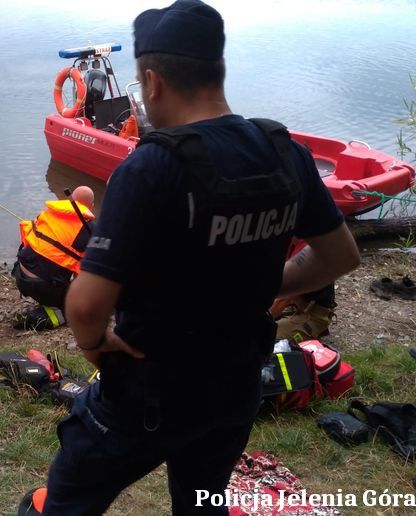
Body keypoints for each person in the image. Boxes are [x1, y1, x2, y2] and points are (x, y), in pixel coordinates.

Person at [35, 1, 361, 514]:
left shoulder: (152, 167)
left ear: (152, 81)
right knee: (202, 502)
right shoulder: (284, 152)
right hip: (235, 386)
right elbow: (340, 254)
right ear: (217, 69)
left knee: (69, 500)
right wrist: (260, 287)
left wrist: (96, 344)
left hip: (148, 392)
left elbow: (85, 305)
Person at [12, 186, 95, 331]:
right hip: (42, 287)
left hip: (20, 275)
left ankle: (49, 303)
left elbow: (28, 241)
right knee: (83, 310)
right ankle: (41, 318)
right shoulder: (88, 229)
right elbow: (83, 276)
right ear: (92, 206)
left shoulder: (51, 212)